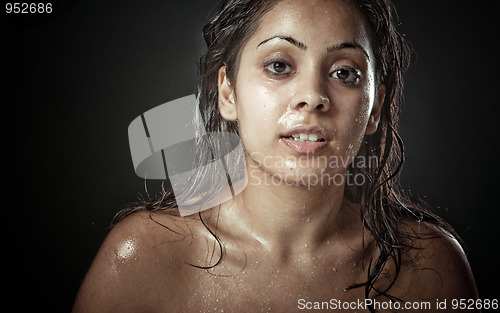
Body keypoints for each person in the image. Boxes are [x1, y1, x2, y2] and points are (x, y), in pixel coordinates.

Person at [72, 0, 480, 312]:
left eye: (345, 72)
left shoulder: (429, 271)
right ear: (228, 93)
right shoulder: (143, 258)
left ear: (374, 108)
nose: (313, 96)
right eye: (280, 65)